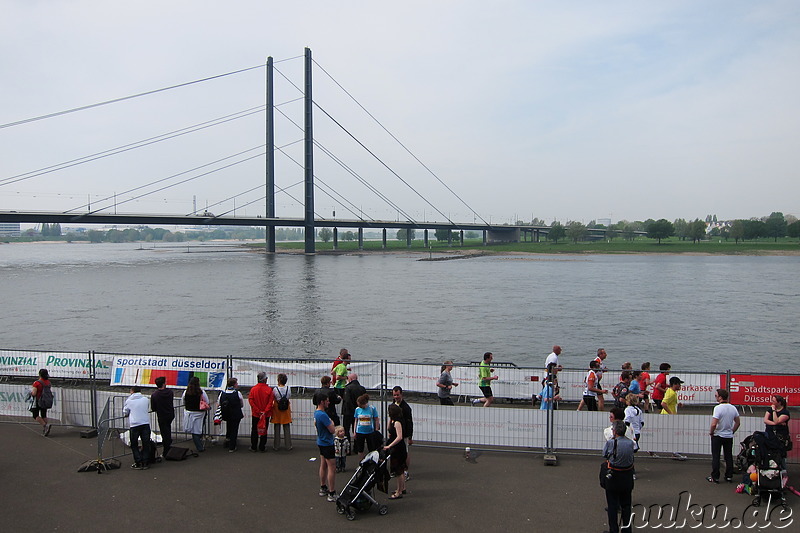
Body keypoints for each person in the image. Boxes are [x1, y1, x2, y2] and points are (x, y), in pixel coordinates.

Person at [603, 420, 636, 533]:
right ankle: (627, 530)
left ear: (615, 431)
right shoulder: (630, 443)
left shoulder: (611, 443)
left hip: (614, 477)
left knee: (612, 506)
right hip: (627, 477)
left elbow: (604, 454)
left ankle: (613, 530)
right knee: (626, 505)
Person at [707, 388, 740, 483]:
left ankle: (715, 476)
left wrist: (711, 432)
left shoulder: (718, 408)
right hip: (728, 435)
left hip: (718, 435)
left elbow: (714, 423)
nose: (716, 397)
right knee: (728, 456)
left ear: (720, 397)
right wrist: (732, 431)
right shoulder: (733, 408)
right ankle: (729, 475)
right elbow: (737, 422)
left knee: (716, 456)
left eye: (716, 396)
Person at [313, 391, 337, 502]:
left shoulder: (316, 413)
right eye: (327, 400)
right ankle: (332, 493)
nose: (328, 402)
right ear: (322, 402)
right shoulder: (323, 415)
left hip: (321, 442)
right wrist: (331, 423)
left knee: (323, 465)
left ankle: (323, 487)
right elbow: (332, 430)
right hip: (327, 443)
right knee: (332, 468)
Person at [123, 386, 151, 470]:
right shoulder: (146, 399)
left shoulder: (129, 401)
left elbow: (125, 411)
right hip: (145, 423)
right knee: (146, 443)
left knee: (134, 444)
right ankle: (145, 461)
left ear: (132, 391)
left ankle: (138, 462)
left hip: (134, 424)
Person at [384, 404, 408, 500]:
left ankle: (399, 491)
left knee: (399, 470)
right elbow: (388, 429)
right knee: (398, 469)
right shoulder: (394, 421)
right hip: (395, 448)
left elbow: (399, 437)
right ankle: (402, 488)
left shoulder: (398, 422)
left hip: (398, 448)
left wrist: (390, 445)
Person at [182, 376, 209, 452]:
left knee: (194, 430)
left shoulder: (186, 392)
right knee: (197, 430)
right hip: (200, 413)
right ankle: (200, 446)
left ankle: (199, 444)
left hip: (189, 413)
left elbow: (183, 402)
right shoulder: (201, 392)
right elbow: (207, 401)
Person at [248, 372, 273, 452]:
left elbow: (251, 401)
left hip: (256, 414)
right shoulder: (269, 390)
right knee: (264, 429)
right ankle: (262, 446)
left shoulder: (253, 389)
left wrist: (257, 410)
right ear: (265, 379)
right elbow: (270, 402)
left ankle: (254, 446)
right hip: (265, 414)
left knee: (254, 429)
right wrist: (265, 411)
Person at [393, 386, 413, 481]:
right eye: (394, 395)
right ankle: (396, 470)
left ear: (401, 394)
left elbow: (410, 423)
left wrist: (410, 437)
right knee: (396, 452)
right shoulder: (393, 404)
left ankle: (406, 471)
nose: (396, 397)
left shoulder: (406, 408)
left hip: (404, 434)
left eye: (397, 395)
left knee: (405, 453)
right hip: (395, 434)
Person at [150, 376, 175, 456]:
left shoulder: (155, 395)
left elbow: (153, 407)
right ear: (164, 384)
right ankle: (168, 446)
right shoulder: (170, 392)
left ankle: (166, 450)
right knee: (167, 430)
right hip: (170, 414)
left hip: (161, 415)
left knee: (164, 433)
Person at [219, 377, 244, 452]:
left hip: (226, 413)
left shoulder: (222, 393)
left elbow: (219, 403)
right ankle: (232, 446)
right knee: (234, 429)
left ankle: (227, 441)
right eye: (236, 383)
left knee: (229, 427)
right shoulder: (237, 393)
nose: (237, 384)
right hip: (236, 414)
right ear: (234, 385)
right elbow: (241, 404)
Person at [353, 393, 380, 460]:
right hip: (360, 431)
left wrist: (376, 429)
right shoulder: (357, 409)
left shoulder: (372, 408)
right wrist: (354, 431)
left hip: (370, 431)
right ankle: (361, 463)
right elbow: (356, 420)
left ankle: (371, 462)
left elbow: (376, 419)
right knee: (360, 449)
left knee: (371, 448)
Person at [342, 373, 366, 444]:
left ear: (351, 379)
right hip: (360, 411)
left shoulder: (348, 388)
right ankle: (357, 447)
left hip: (348, 412)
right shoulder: (362, 388)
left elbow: (347, 400)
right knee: (357, 429)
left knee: (346, 429)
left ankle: (347, 447)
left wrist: (352, 410)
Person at [272, 373, 292, 451]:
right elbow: (289, 396)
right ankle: (288, 445)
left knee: (277, 427)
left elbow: (274, 397)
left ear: (279, 380)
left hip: (277, 409)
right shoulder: (288, 388)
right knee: (286, 427)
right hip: (286, 408)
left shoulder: (275, 389)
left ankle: (276, 445)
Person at [30, 368, 53, 436]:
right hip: (45, 400)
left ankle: (45, 426)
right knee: (44, 414)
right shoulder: (48, 382)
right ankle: (46, 427)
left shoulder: (37, 383)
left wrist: (30, 393)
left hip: (38, 400)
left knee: (35, 415)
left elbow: (34, 393)